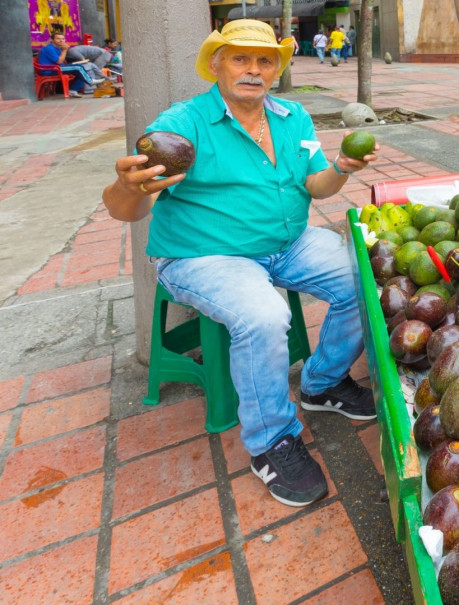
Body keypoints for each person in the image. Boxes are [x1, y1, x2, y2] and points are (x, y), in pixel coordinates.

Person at [100, 19, 379, 507]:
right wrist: (127, 187)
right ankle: (272, 441)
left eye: (264, 60)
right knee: (266, 316)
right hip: (207, 254)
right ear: (216, 64)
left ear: (277, 68)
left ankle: (323, 381)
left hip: (286, 242)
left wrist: (339, 170)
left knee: (366, 274)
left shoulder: (293, 117)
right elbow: (128, 209)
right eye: (240, 58)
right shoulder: (182, 124)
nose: (253, 70)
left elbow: (315, 185)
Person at [36, 32, 106, 97]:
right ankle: (90, 81)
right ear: (52, 40)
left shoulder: (58, 48)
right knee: (78, 68)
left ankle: (73, 89)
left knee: (81, 68)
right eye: (58, 39)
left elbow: (62, 61)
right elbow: (59, 61)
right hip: (50, 70)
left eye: (62, 39)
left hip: (57, 68)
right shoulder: (49, 48)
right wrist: (65, 50)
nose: (61, 40)